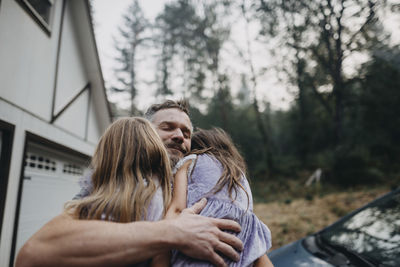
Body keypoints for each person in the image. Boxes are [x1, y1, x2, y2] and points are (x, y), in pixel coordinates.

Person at [15, 100, 243, 267]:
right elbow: (35, 252)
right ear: (145, 133)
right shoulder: (118, 183)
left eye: (186, 132)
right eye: (167, 127)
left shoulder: (200, 188)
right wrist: (172, 231)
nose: (179, 136)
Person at [152, 128, 273, 266]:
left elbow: (177, 208)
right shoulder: (238, 173)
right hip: (239, 246)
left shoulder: (190, 161)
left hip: (200, 242)